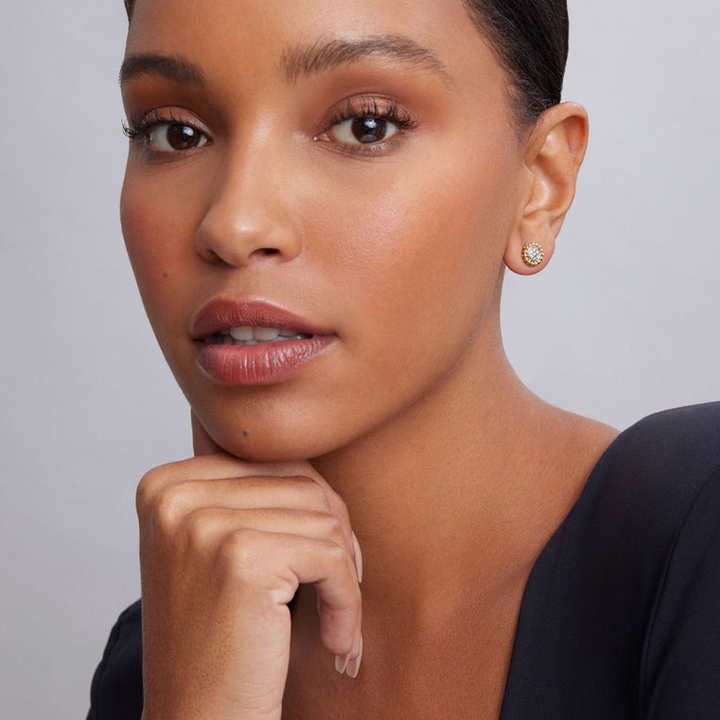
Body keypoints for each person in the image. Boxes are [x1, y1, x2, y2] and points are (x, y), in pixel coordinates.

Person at [87, 0, 720, 717]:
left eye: (366, 124)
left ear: (541, 183)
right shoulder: (169, 655)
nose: (234, 224)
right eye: (173, 132)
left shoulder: (697, 541)